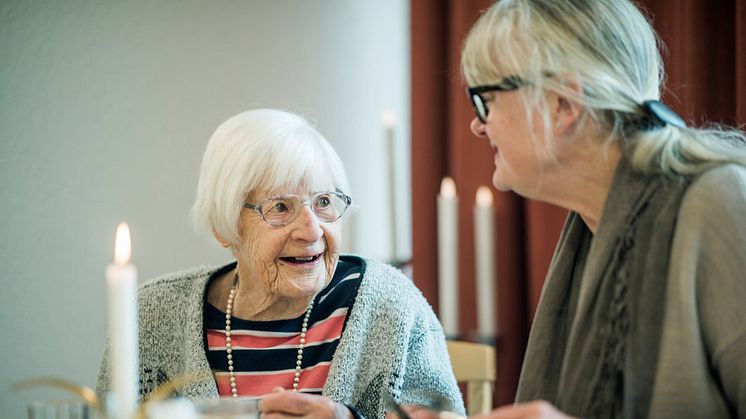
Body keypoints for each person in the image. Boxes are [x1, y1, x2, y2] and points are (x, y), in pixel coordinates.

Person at [401, 0, 746, 418]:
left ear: (563, 103)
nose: (477, 124)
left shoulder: (720, 202)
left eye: (485, 99)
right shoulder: (592, 225)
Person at [97, 109, 465, 418]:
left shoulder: (390, 306)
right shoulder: (153, 315)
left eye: (323, 202)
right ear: (224, 227)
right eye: (280, 207)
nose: (311, 231)